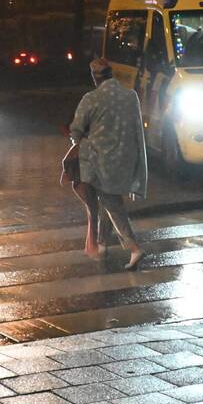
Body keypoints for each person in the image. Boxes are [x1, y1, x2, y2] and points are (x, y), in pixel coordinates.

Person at [66, 58, 148, 270]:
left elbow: (75, 131)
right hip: (127, 160)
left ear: (95, 77)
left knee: (111, 204)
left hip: (99, 162)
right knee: (107, 199)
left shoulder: (91, 99)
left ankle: (134, 248)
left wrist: (80, 138)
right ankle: (102, 244)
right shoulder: (131, 96)